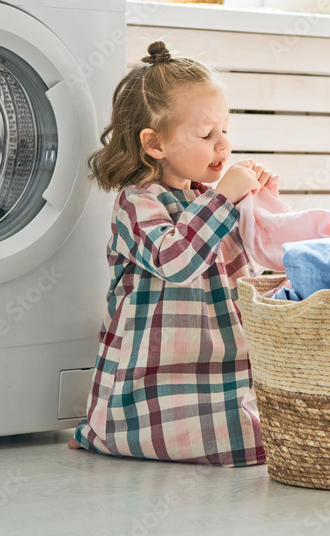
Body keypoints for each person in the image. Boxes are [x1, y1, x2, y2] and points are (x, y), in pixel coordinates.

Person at [69, 41, 276, 466]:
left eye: (225, 130)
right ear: (154, 144)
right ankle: (108, 431)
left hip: (224, 365)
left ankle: (106, 434)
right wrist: (225, 198)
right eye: (206, 134)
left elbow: (257, 263)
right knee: (246, 445)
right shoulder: (138, 203)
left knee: (262, 436)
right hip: (156, 374)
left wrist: (261, 203)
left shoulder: (208, 197)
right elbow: (176, 260)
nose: (223, 145)